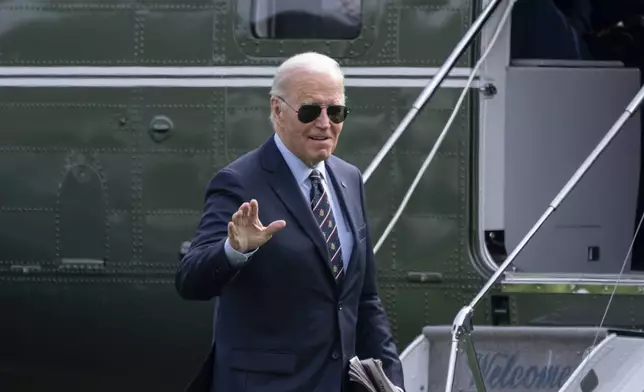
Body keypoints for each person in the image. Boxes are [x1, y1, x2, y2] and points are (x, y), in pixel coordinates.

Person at [175, 51, 405, 392]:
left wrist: (391, 381)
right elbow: (189, 281)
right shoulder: (239, 182)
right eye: (311, 110)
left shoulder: (349, 178)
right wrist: (234, 251)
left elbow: (365, 299)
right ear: (277, 110)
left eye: (336, 111)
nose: (325, 123)